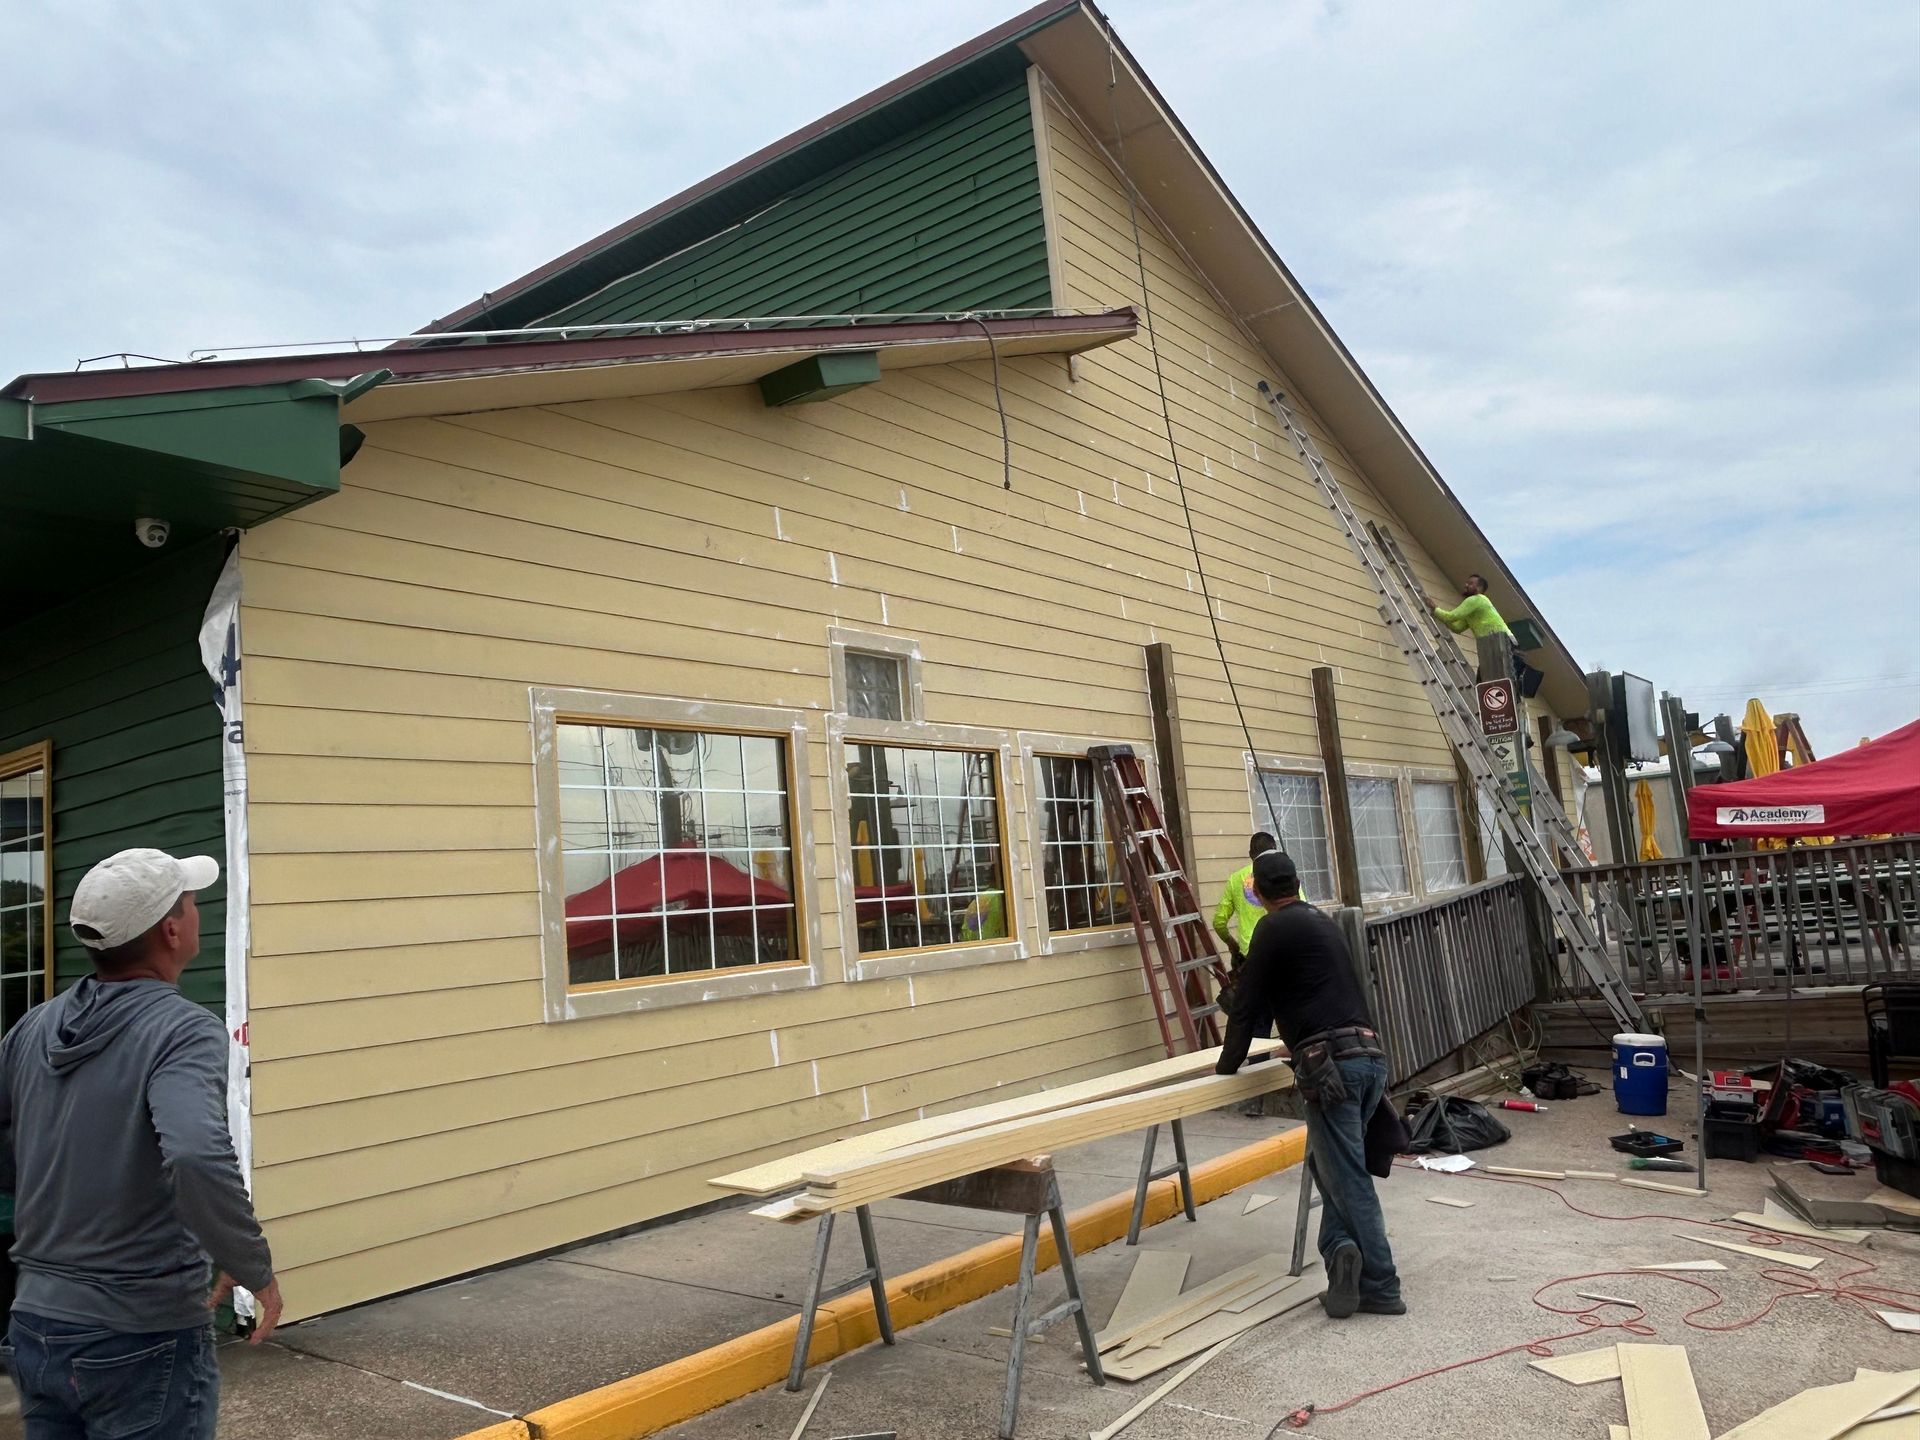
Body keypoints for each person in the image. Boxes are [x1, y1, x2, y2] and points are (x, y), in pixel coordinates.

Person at [0, 848, 280, 1439]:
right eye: (191, 902)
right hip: (139, 1337)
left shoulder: (33, 1027)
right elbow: (195, 1154)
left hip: (36, 1325)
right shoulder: (182, 1030)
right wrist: (248, 1262)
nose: (198, 912)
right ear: (171, 930)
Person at [1215, 851, 1402, 1319]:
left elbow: (1246, 1005)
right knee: (1332, 1166)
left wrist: (1228, 1065)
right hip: (1367, 1056)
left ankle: (1381, 1285)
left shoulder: (1271, 930)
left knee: (1347, 1176)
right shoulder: (1320, 923)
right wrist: (1293, 1041)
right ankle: (1341, 1251)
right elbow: (1324, 994)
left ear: (1255, 891)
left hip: (1331, 1068)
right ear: (1298, 884)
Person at [1212, 832, 1279, 968]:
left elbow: (1219, 922)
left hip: (1250, 954)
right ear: (1275, 850)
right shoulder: (1284, 874)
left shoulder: (1236, 879)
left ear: (1250, 854)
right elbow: (1302, 908)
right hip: (1280, 950)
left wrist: (1231, 944)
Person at [1430, 572, 1512, 640]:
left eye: (1470, 584)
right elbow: (1457, 628)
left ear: (1479, 588)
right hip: (1496, 640)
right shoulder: (1473, 609)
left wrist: (1435, 608)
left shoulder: (1476, 599)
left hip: (1501, 640)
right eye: (1467, 583)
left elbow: (1452, 616)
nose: (1466, 585)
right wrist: (1439, 615)